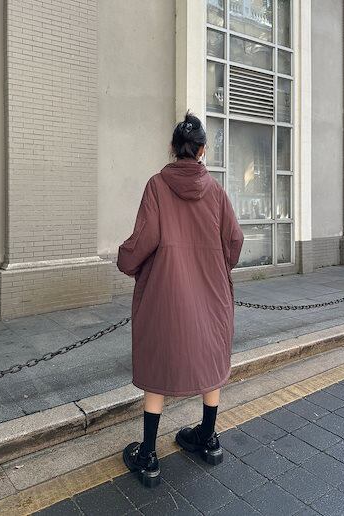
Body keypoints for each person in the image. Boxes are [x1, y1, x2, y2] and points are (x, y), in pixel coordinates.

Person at [117, 110, 244, 488]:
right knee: (211, 357)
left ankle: (148, 456)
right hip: (212, 291)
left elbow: (143, 240)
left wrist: (126, 261)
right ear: (203, 150)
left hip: (165, 292)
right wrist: (217, 265)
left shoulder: (157, 186)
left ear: (173, 148)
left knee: (158, 363)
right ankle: (208, 438)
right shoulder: (216, 191)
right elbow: (234, 241)